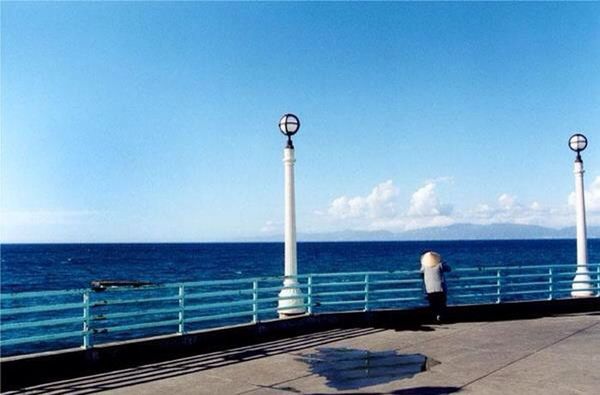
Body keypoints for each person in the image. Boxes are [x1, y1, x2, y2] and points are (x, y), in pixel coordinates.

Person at [420, 251, 451, 323]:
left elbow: (421, 272)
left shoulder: (424, 266)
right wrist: (443, 262)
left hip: (430, 288)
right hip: (440, 288)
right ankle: (440, 317)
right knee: (441, 304)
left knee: (433, 304)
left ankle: (434, 318)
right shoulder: (440, 265)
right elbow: (449, 269)